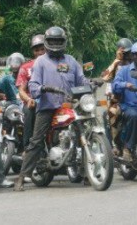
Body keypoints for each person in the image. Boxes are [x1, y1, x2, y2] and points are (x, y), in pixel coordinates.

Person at [14, 26, 90, 191]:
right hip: (47, 106)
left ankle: (86, 173)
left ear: (64, 42)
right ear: (48, 42)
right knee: (36, 140)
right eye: (52, 41)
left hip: (69, 104)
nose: (55, 44)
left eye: (59, 41)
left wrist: (92, 83)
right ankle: (22, 176)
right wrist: (40, 89)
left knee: (82, 133)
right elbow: (33, 83)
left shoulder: (71, 61)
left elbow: (82, 80)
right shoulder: (41, 61)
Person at [16, 34, 46, 150]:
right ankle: (27, 149)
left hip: (52, 101)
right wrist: (29, 99)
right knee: (29, 111)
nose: (40, 52)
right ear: (33, 51)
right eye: (37, 50)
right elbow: (21, 90)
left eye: (42, 49)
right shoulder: (26, 67)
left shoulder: (56, 64)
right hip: (33, 102)